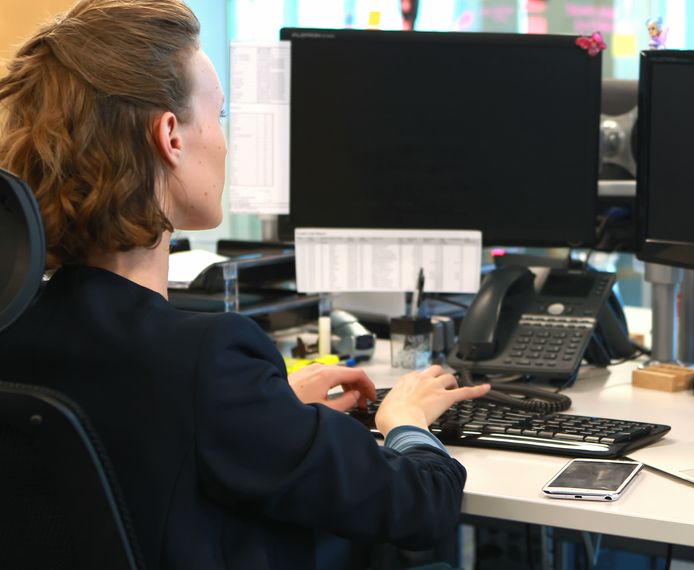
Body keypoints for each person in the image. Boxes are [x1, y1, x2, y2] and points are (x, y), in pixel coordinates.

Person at [0, 0, 489, 568]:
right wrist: (404, 419)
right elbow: (418, 507)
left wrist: (271, 409)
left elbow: (154, 437)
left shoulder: (17, 331)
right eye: (220, 115)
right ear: (171, 137)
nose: (225, 141)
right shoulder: (206, 360)